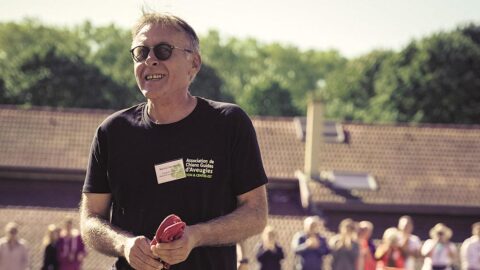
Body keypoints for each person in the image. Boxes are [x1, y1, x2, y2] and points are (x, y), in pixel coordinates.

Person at [79, 11, 268, 270]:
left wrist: (196, 236)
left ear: (194, 64)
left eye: (163, 50)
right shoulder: (112, 132)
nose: (151, 60)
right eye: (141, 52)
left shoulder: (228, 123)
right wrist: (124, 244)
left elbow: (256, 213)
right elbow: (90, 219)